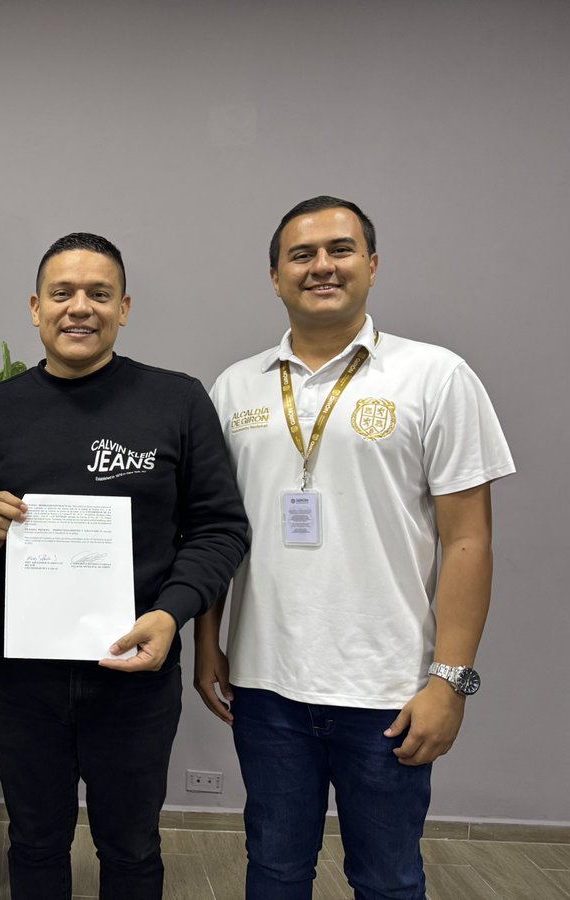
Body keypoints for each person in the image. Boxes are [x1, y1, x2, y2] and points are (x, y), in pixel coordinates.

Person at [197, 196, 515, 898]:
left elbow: (469, 540)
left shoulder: (436, 377)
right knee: (275, 871)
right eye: (301, 255)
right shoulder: (233, 388)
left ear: (371, 265)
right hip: (265, 684)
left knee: (388, 878)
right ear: (275, 276)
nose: (321, 266)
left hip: (388, 688)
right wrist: (208, 642)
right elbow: (217, 531)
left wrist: (450, 681)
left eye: (339, 250)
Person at [0, 233, 249, 899]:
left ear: (124, 307)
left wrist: (172, 615)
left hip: (135, 676)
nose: (79, 307)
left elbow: (221, 528)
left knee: (132, 846)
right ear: (34, 308)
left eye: (98, 294)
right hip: (22, 679)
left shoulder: (177, 401)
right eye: (62, 293)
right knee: (36, 841)